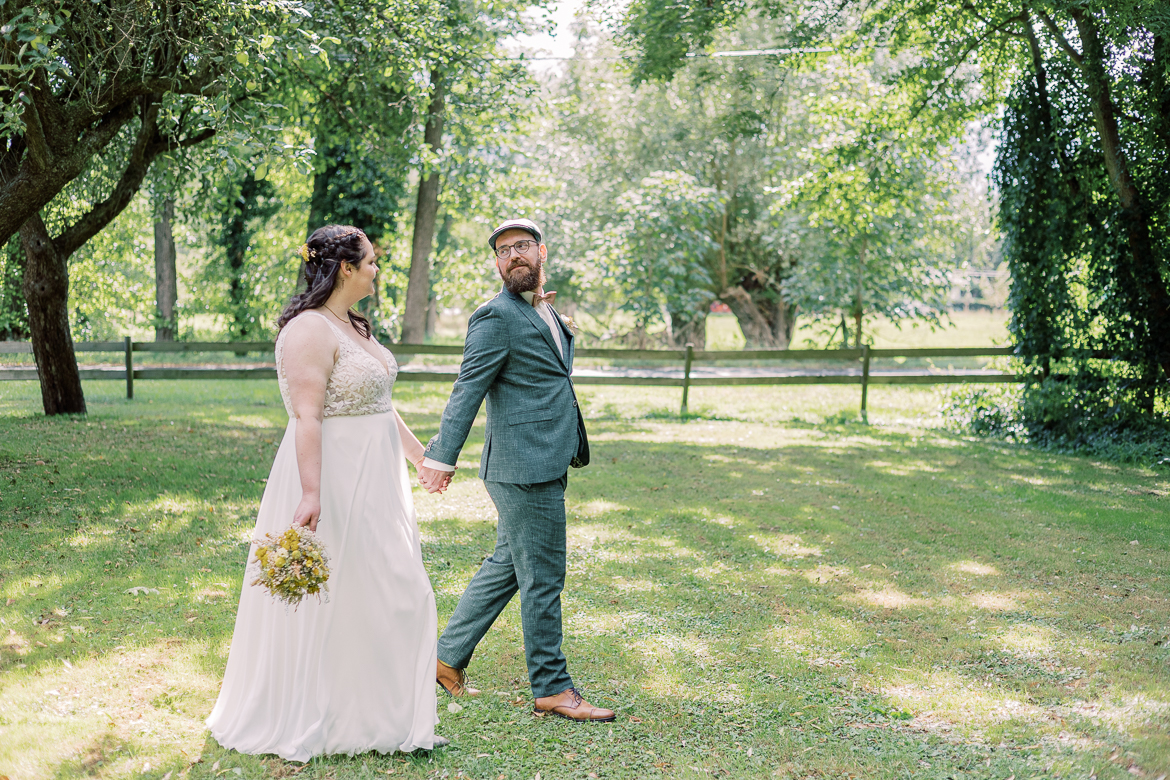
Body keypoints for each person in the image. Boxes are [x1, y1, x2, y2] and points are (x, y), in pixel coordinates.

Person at [207, 225, 448, 760]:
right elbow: (307, 415)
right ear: (346, 267)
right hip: (332, 478)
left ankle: (378, 712)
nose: (376, 270)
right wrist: (312, 493)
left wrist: (421, 459)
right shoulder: (308, 331)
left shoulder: (352, 326)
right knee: (335, 599)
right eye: (371, 262)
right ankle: (332, 716)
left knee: (392, 589)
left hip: (378, 480)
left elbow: (380, 406)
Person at [418, 218, 615, 723]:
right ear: (497, 263)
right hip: (521, 467)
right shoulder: (495, 317)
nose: (513, 256)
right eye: (503, 251)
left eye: (522, 246)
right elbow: (468, 388)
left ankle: (445, 658)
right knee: (544, 577)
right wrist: (441, 457)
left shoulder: (539, 308)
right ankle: (551, 687)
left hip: (545, 456)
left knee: (508, 565)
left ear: (541, 251)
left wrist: (550, 316)